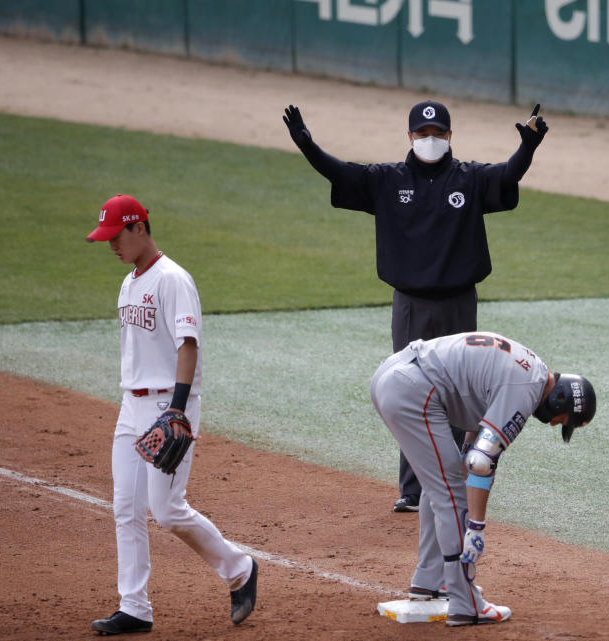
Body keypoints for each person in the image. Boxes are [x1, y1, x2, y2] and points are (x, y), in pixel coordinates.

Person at [282, 99, 548, 513]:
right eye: (422, 133)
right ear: (409, 136)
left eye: (438, 133)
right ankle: (412, 489)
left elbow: (508, 174)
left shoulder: (469, 179)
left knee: (459, 390)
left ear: (450, 136)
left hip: (459, 304)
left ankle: (455, 479)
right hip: (410, 305)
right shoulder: (388, 180)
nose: (430, 140)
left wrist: (528, 147)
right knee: (412, 391)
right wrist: (307, 146)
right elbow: (340, 172)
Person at [85, 194, 258, 635]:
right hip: (132, 405)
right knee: (126, 506)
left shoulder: (173, 279)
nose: (112, 246)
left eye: (116, 236)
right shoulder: (128, 283)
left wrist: (178, 409)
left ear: (139, 227)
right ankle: (134, 606)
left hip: (170, 403)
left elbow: (188, 345)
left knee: (166, 509)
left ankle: (239, 570)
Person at [370, 331, 595, 626]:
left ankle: (429, 580)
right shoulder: (526, 389)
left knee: (441, 483)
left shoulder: (529, 370)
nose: (554, 423)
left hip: (396, 375)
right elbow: (481, 462)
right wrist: (476, 526)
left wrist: (469, 473)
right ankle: (466, 602)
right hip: (413, 388)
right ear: (560, 400)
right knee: (450, 493)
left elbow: (474, 445)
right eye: (562, 419)